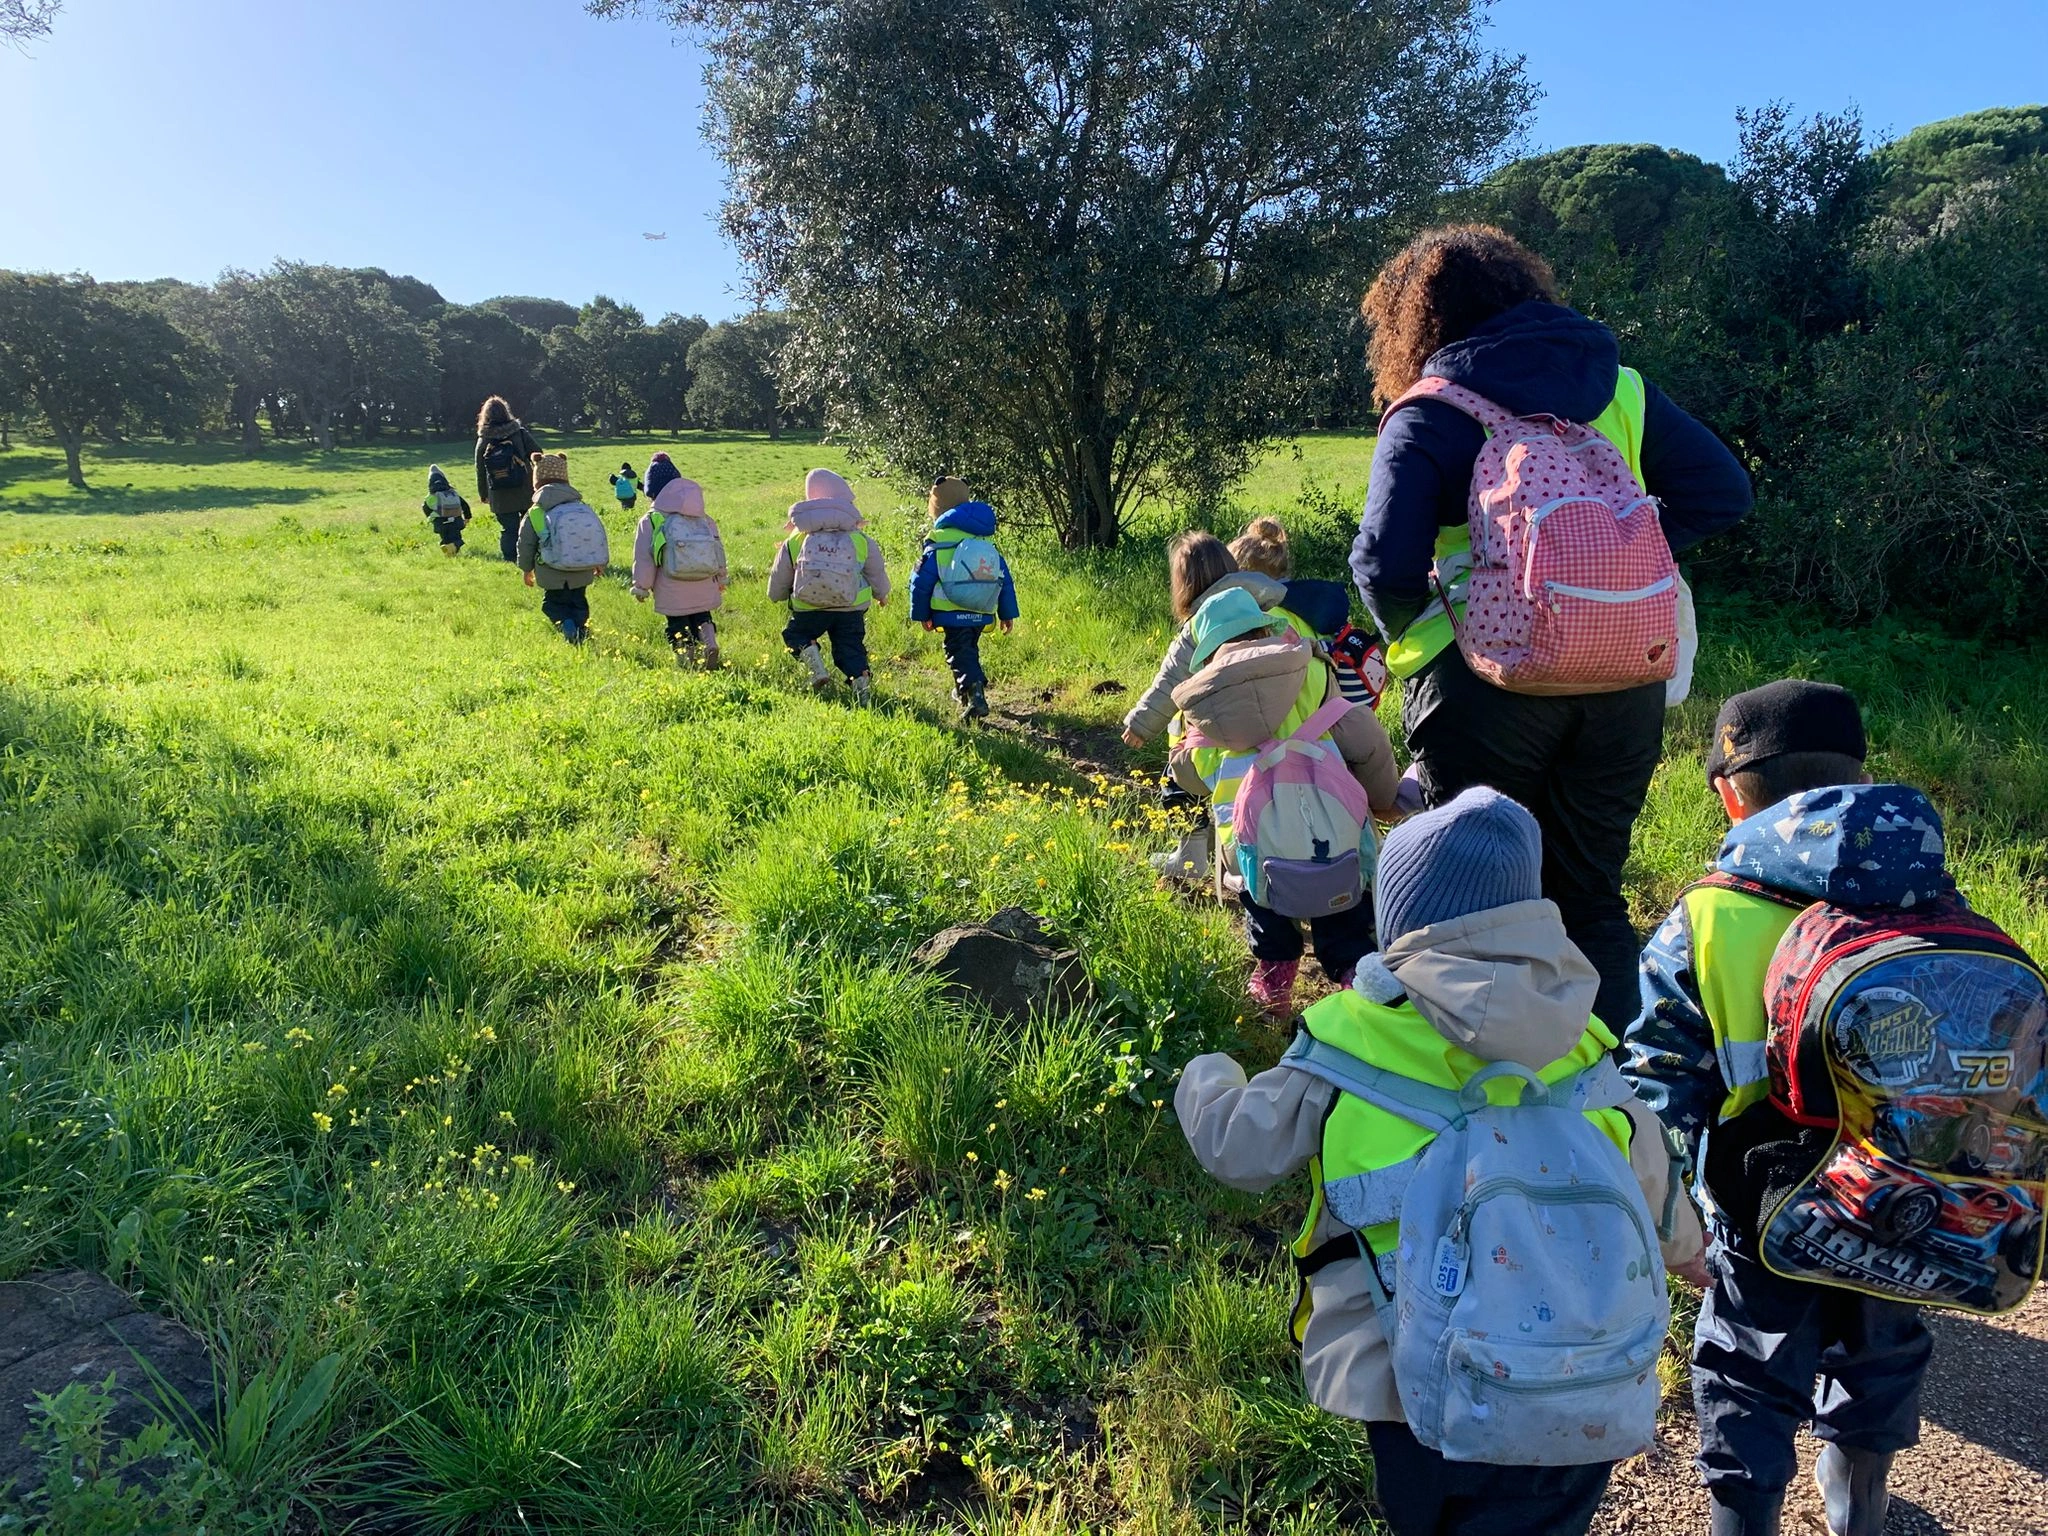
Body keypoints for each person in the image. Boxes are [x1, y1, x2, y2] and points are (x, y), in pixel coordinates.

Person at [1178, 787, 1702, 1536]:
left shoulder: (1348, 1041)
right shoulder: (1581, 1041)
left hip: (1407, 1376)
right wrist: (1690, 1253)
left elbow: (1240, 1149)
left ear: (1397, 922)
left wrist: (1206, 1075)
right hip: (1576, 1369)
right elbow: (1646, 1165)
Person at [1351, 224, 1754, 1031]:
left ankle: (1482, 1087)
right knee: (1593, 897)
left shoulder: (1429, 412)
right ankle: (1616, 1095)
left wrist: (1444, 624)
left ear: (1416, 323)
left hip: (1482, 687)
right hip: (1622, 674)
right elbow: (1723, 492)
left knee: (1472, 891)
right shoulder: (1622, 391)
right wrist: (1608, 562)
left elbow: (1381, 567)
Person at [1624, 682, 1954, 1536]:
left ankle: (1746, 1518)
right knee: (1880, 1344)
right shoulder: (1932, 897)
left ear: (1735, 794)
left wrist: (1678, 1218)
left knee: (1748, 1372)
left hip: (1761, 1206)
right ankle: (1859, 1500)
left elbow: (1660, 1081)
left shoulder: (1706, 916)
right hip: (1897, 1192)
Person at [1168, 587, 1398, 1017]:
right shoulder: (1311, 671)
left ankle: (1274, 982)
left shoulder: (1202, 706)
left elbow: (1190, 774)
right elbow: (1362, 737)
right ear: (1264, 626)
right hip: (1333, 828)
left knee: (1266, 911)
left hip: (1253, 842)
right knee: (1345, 912)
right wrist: (1384, 798)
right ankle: (1357, 984)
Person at [1124, 532, 1293, 883]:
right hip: (1273, 730)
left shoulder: (1197, 626)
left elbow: (1168, 682)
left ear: (1185, 586)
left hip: (1215, 736)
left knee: (1176, 780)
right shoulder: (1262, 610)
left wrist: (1140, 724)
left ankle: (1191, 856)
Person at [766, 467, 889, 703]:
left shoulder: (797, 538)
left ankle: (813, 660)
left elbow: (781, 571)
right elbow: (876, 571)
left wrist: (776, 595)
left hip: (808, 606)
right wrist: (881, 593)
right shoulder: (859, 538)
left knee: (796, 633)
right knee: (850, 646)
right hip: (850, 607)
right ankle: (861, 684)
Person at [909, 476, 1018, 722]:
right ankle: (965, 693)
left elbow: (921, 581)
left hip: (951, 611)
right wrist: (1007, 613)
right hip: (981, 609)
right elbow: (1004, 578)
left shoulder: (938, 541)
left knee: (958, 652)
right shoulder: (982, 540)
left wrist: (922, 614)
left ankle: (975, 693)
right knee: (967, 650)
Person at [631, 473, 727, 668]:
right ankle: (710, 643)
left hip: (671, 586)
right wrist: (721, 577)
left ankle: (686, 659)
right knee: (702, 616)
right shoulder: (703, 518)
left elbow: (645, 558)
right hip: (704, 582)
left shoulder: (652, 519)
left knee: (677, 623)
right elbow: (718, 549)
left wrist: (641, 587)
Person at [517, 452, 606, 644]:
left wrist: (526, 569)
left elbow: (526, 543)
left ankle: (566, 624)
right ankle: (581, 630)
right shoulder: (580, 506)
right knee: (579, 601)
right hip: (581, 568)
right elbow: (592, 536)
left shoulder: (536, 511)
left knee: (553, 603)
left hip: (551, 569)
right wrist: (599, 562)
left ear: (537, 481)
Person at [473, 396, 542, 563]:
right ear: (506, 412)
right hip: (524, 488)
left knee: (508, 529)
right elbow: (538, 453)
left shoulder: (483, 440)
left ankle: (511, 560)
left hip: (499, 491)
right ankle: (535, 556)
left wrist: (484, 494)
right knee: (531, 526)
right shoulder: (519, 433)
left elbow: (480, 469)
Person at [421, 464, 471, 556]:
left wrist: (431, 518)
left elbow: (425, 508)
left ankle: (448, 551)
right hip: (455, 521)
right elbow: (465, 505)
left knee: (446, 539)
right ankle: (453, 549)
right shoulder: (453, 493)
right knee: (457, 540)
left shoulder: (431, 497)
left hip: (440, 523)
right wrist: (467, 517)